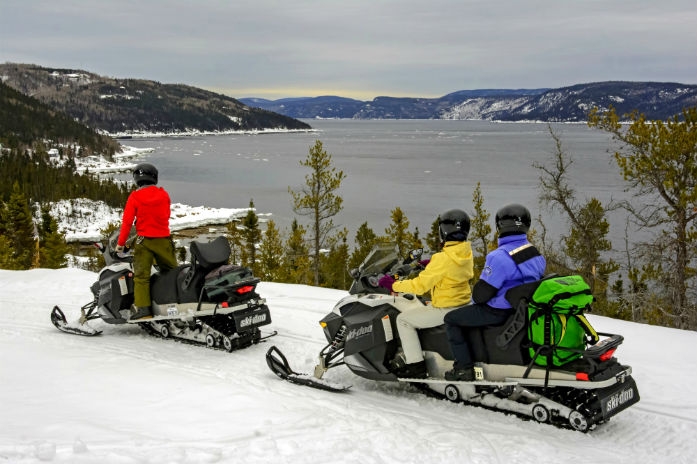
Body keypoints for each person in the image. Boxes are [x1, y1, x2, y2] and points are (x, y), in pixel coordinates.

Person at [443, 203, 546, 381]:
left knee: (451, 319)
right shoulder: (534, 253)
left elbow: (481, 295)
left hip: (499, 312)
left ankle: (463, 368)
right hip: (522, 310)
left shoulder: (499, 257)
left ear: (500, 226)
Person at [378, 209, 474, 378]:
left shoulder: (442, 259)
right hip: (463, 304)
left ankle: (415, 365)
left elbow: (420, 286)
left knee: (403, 320)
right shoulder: (465, 252)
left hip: (445, 308)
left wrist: (394, 285)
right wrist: (429, 264)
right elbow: (451, 265)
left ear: (443, 231)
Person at [115, 163, 178, 320]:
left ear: (137, 178)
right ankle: (176, 303)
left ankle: (144, 310)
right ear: (154, 177)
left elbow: (127, 223)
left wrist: (121, 243)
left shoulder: (135, 197)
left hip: (144, 242)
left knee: (141, 276)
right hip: (164, 239)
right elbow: (166, 214)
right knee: (172, 273)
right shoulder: (163, 194)